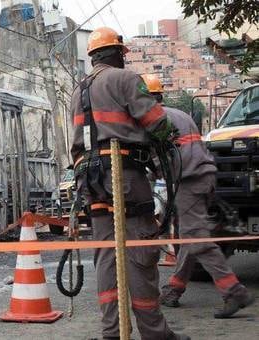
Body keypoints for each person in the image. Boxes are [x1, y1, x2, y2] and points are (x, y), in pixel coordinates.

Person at [69, 27, 187, 340]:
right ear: (118, 54)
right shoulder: (125, 79)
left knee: (107, 256)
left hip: (91, 179)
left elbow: (78, 143)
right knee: (139, 251)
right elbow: (157, 123)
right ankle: (155, 334)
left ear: (93, 56)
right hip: (126, 175)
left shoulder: (78, 90)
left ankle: (112, 333)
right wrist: (166, 142)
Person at [141, 74, 255, 318]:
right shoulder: (179, 115)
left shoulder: (155, 121)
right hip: (205, 177)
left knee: (197, 240)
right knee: (190, 236)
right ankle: (174, 288)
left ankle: (234, 291)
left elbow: (157, 161)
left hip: (190, 180)